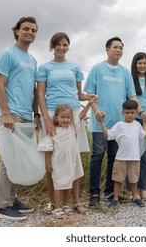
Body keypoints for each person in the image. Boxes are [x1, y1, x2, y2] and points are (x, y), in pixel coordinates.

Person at [84, 37, 146, 207]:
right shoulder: (97, 69)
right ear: (107, 49)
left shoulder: (125, 72)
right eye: (115, 47)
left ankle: (111, 193)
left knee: (114, 158)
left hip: (120, 125)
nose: (119, 50)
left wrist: (143, 113)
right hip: (100, 124)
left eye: (121, 48)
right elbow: (90, 95)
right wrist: (96, 111)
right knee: (97, 156)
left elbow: (132, 96)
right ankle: (94, 194)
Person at [36, 32, 95, 214]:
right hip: (53, 114)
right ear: (52, 47)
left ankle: (75, 202)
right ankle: (53, 203)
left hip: (72, 115)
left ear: (68, 46)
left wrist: (90, 97)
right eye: (58, 45)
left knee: (73, 158)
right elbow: (40, 95)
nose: (61, 48)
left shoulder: (75, 67)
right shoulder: (44, 68)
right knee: (52, 158)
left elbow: (79, 95)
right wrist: (46, 118)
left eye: (65, 44)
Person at [0, 16, 40, 220]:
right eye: (26, 29)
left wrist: (36, 114)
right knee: (9, 160)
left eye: (33, 30)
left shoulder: (32, 60)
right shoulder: (7, 54)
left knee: (18, 160)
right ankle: (3, 206)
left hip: (26, 115)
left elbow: (34, 90)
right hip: (11, 114)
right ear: (17, 31)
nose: (30, 32)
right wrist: (5, 114)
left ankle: (12, 200)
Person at [98, 99, 146, 208]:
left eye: (132, 113)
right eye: (127, 113)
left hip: (135, 158)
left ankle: (135, 197)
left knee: (134, 179)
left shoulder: (137, 125)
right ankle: (115, 198)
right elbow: (108, 135)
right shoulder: (119, 125)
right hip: (121, 158)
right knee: (118, 179)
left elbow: (143, 135)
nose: (130, 115)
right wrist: (102, 123)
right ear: (123, 112)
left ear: (136, 112)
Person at [37, 104, 84, 218]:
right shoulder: (53, 130)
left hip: (70, 161)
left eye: (68, 117)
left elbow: (81, 116)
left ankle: (66, 205)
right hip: (58, 162)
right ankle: (57, 207)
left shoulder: (72, 127)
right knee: (58, 183)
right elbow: (48, 148)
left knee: (69, 182)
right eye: (63, 117)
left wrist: (90, 104)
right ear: (56, 117)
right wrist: (47, 162)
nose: (66, 120)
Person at [128, 52, 146, 201]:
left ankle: (144, 189)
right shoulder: (130, 80)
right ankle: (130, 189)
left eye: (145, 63)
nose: (142, 66)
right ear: (135, 65)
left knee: (145, 156)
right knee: (132, 154)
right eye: (139, 63)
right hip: (133, 120)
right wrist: (141, 114)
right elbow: (129, 98)